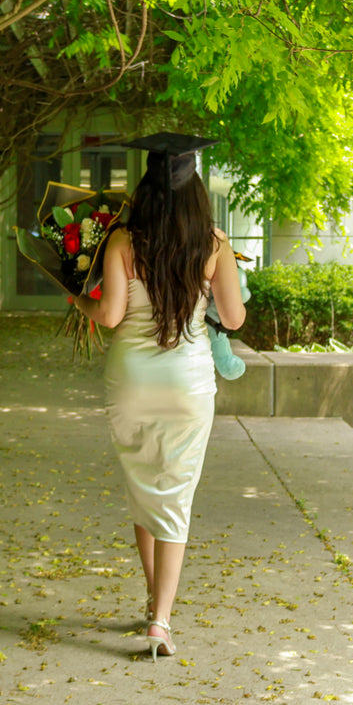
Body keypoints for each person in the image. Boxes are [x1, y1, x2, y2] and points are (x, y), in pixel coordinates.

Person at [72, 149, 246, 661]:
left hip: (130, 381)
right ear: (196, 194)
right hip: (187, 384)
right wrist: (207, 288)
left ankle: (155, 602)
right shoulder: (214, 243)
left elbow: (109, 316)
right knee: (175, 496)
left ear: (144, 190)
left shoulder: (124, 240)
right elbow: (233, 319)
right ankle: (161, 622)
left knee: (144, 489)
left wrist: (75, 297)